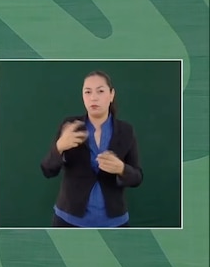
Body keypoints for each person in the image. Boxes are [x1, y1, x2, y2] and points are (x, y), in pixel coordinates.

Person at [40, 70, 143, 227]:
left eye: (100, 91)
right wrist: (59, 147)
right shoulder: (70, 125)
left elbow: (137, 177)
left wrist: (122, 169)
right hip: (68, 221)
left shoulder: (126, 131)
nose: (93, 97)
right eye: (87, 92)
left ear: (111, 94)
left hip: (115, 223)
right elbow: (47, 170)